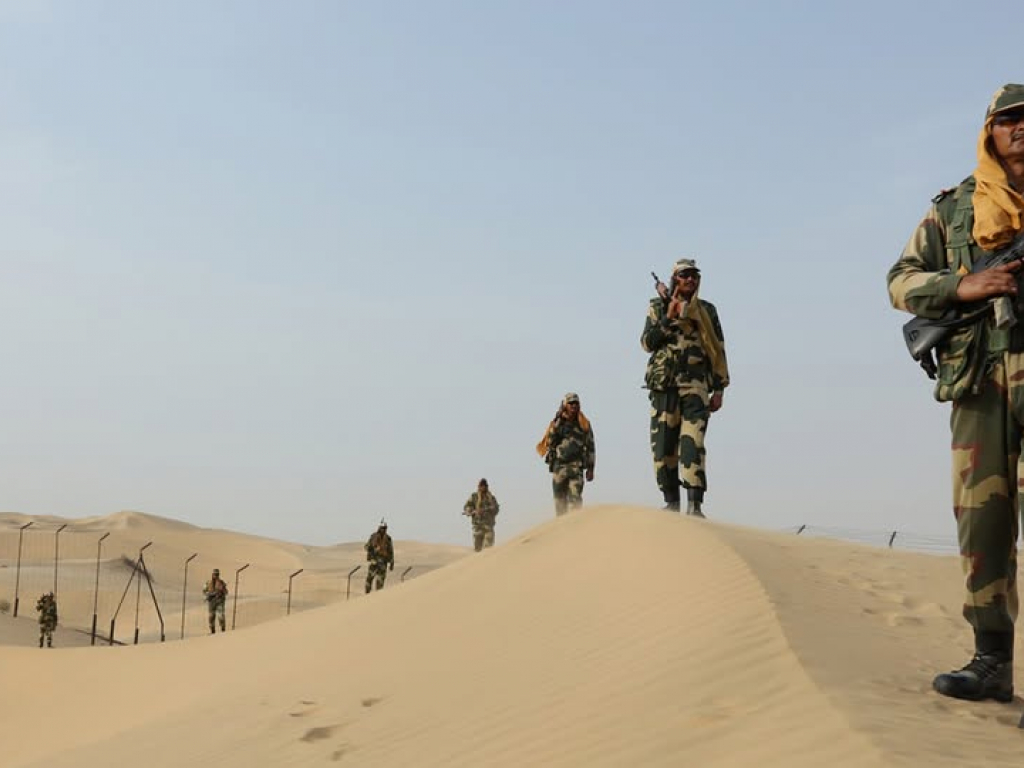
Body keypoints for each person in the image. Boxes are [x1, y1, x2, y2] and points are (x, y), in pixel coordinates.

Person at [887, 83, 1024, 703]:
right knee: (981, 525)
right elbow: (901, 280)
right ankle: (991, 660)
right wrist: (963, 287)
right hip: (980, 385)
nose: (1020, 128)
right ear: (989, 132)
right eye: (1008, 119)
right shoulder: (957, 207)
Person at [641, 258, 730, 516]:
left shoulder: (706, 310)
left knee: (693, 445)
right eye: (685, 275)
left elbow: (718, 348)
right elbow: (647, 343)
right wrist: (667, 318)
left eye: (694, 275)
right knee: (663, 449)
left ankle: (695, 506)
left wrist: (719, 389)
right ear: (675, 279)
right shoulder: (658, 306)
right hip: (664, 387)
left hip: (696, 387)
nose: (690, 279)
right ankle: (671, 503)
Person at [536, 392, 596, 516]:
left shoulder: (584, 423)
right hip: (559, 467)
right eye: (571, 403)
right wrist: (558, 421)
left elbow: (591, 447)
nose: (574, 406)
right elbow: (550, 441)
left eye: (576, 403)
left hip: (576, 468)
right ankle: (562, 527)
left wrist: (591, 469)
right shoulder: (558, 423)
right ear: (565, 405)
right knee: (560, 504)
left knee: (575, 502)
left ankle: (575, 526)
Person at [463, 478, 500, 551]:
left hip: (488, 527)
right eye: (481, 486)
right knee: (477, 549)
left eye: (484, 486)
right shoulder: (474, 496)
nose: (483, 487)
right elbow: (467, 506)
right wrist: (470, 511)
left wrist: (487, 510)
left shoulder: (491, 498)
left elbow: (496, 509)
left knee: (488, 548)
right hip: (477, 527)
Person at [364, 522, 395, 593]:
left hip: (383, 563)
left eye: (385, 528)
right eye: (382, 528)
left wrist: (392, 563)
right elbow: (366, 547)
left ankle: (378, 596)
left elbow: (391, 551)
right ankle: (367, 595)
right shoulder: (373, 536)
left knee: (380, 581)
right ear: (379, 528)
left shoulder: (388, 539)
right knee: (369, 579)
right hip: (374, 561)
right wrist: (373, 548)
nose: (384, 529)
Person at [203, 568, 229, 634]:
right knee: (211, 617)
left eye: (217, 574)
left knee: (221, 616)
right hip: (211, 602)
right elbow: (204, 591)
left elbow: (226, 592)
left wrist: (222, 590)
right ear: (212, 574)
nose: (216, 576)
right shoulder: (208, 582)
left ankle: (223, 630)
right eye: (215, 574)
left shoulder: (221, 582)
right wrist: (209, 595)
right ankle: (212, 631)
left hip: (219, 601)